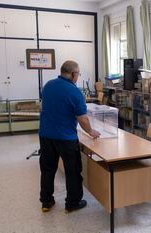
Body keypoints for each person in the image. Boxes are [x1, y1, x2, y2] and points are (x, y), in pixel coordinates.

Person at [39, 60, 100, 213]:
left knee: (47, 169)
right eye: (78, 74)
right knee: (72, 171)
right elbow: (82, 118)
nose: (78, 77)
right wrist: (91, 132)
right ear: (73, 74)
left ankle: (46, 202)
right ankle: (72, 203)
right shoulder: (75, 92)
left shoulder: (48, 86)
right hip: (66, 138)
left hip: (45, 136)